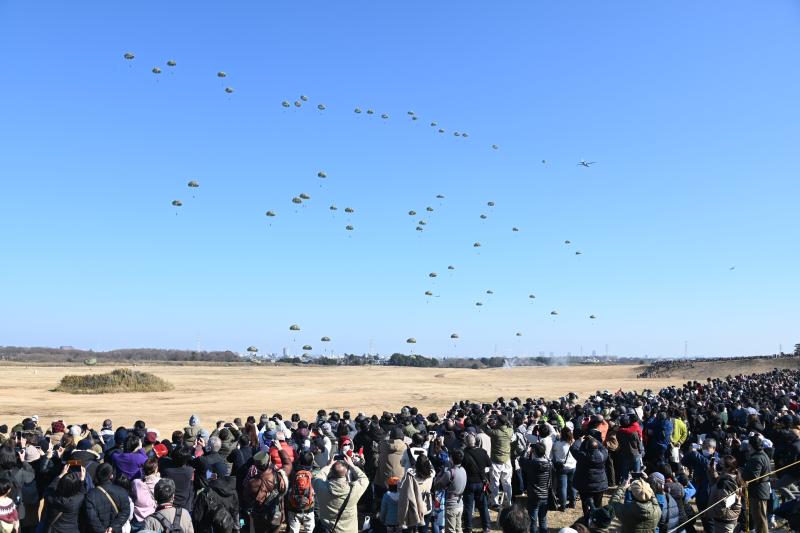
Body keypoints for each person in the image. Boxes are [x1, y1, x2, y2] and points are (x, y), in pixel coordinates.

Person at [313, 454, 369, 533]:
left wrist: (328, 466)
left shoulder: (322, 488)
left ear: (331, 472)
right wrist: (351, 465)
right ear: (346, 472)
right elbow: (364, 479)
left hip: (328, 529)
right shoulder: (353, 489)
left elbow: (316, 477)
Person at [241, 449, 291, 533]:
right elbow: (288, 463)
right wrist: (280, 449)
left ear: (256, 466)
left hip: (260, 517)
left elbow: (246, 498)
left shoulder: (252, 483)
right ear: (269, 462)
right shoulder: (280, 476)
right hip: (276, 514)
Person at [83, 463, 132, 533]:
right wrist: (113, 527)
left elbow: (92, 518)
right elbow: (125, 512)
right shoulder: (122, 491)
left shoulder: (90, 495)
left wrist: (102, 531)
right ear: (111, 476)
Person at [571, 433, 608, 521]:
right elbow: (602, 447)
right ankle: (597, 521)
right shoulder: (603, 455)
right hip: (599, 484)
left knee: (585, 503)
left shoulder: (582, 456)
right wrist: (594, 440)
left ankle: (587, 519)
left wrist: (579, 440)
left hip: (585, 484)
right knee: (598, 504)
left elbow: (573, 448)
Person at [460, 433, 491, 533]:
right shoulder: (482, 451)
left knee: (468, 507)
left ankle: (468, 528)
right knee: (483, 506)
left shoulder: (463, 453)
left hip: (469, 483)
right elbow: (489, 464)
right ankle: (486, 527)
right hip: (481, 482)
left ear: (466, 442)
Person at [41, 466, 85, 533]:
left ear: (60, 485)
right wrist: (82, 480)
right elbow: (82, 492)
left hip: (53, 530)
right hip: (71, 530)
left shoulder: (51, 498)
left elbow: (49, 488)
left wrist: (61, 474)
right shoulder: (77, 500)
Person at [518, 443, 551, 533]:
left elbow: (521, 460)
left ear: (534, 452)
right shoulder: (549, 464)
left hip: (534, 495)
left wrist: (526, 450)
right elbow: (547, 458)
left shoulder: (532, 464)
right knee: (543, 519)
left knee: (533, 520)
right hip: (545, 495)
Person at [482, 415, 513, 510]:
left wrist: (487, 421)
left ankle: (494, 502)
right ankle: (508, 501)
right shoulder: (510, 431)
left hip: (496, 461)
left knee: (495, 483)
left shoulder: (495, 433)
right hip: (506, 460)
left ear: (499, 422)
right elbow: (510, 425)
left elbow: (484, 427)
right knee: (507, 482)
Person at [742, 434, 771, 533]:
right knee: (760, 519)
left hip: (758, 492)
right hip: (760, 491)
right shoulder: (762, 454)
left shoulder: (757, 458)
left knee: (760, 520)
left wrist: (742, 474)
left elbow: (754, 477)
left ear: (750, 446)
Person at [707, 455, 742, 533]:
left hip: (724, 519)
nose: (718, 465)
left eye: (721, 464)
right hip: (727, 518)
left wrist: (716, 512)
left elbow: (723, 504)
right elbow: (717, 481)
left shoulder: (725, 482)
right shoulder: (729, 477)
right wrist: (711, 471)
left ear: (728, 468)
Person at [286, 451, 316, 533]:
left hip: (293, 507)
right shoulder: (314, 473)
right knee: (309, 530)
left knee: (293, 530)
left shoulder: (292, 472)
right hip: (309, 507)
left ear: (299, 460)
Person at [436, 448, 466, 533]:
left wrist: (440, 474)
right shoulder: (463, 470)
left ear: (452, 458)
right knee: (458, 528)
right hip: (460, 503)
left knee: (450, 530)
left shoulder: (450, 473)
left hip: (451, 505)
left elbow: (437, 485)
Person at [551, 426, 577, 511]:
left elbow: (553, 453)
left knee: (563, 487)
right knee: (573, 485)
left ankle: (563, 505)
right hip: (573, 466)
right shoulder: (573, 443)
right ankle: (573, 502)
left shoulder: (557, 444)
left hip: (562, 467)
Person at [131, 456, 160, 530]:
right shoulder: (159, 482)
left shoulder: (135, 482)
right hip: (152, 517)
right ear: (156, 469)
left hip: (137, 517)